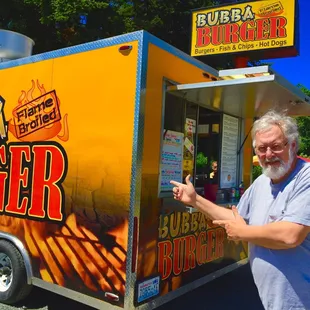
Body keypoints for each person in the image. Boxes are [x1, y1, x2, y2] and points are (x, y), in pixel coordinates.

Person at [170, 110, 310, 310]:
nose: (268, 154)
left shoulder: (305, 178)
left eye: (276, 146)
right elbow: (236, 218)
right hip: (274, 300)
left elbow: (290, 235)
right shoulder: (262, 182)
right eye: (262, 148)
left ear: (293, 145)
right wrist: (195, 200)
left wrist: (243, 233)